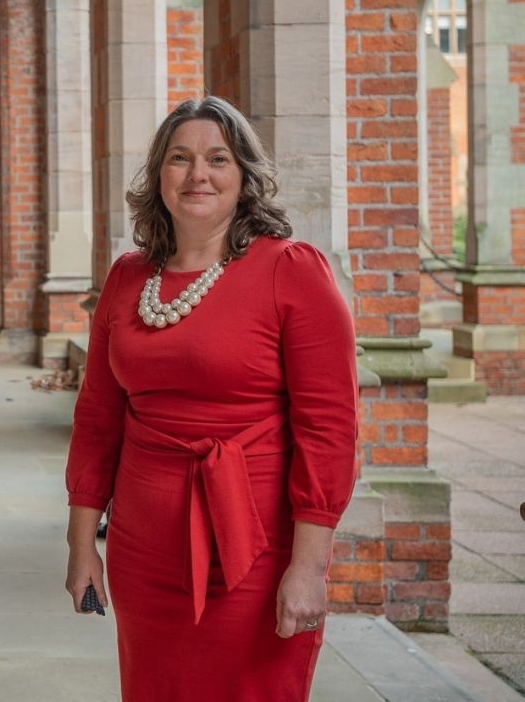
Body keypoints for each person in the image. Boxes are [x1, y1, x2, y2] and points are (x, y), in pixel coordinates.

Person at [64, 96, 358, 701]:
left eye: (217, 158)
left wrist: (308, 568)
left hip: (254, 550)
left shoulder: (291, 270)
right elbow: (97, 419)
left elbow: (329, 431)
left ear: (245, 176)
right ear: (159, 176)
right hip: (142, 550)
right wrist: (80, 546)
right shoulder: (127, 278)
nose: (198, 174)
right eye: (180, 158)